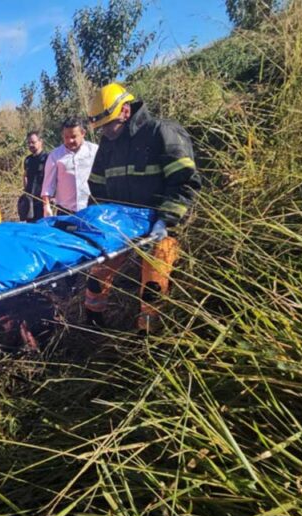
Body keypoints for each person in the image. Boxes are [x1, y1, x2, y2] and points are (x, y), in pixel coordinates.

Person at [84, 83, 201, 334]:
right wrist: (95, 226)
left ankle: (146, 336)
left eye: (108, 125)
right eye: (100, 127)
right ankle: (93, 323)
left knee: (153, 283)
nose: (104, 132)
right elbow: (97, 190)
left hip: (160, 226)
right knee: (97, 272)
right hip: (121, 225)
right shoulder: (108, 145)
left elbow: (184, 183)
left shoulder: (162, 133)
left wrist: (165, 221)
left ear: (125, 112)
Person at [40, 117, 98, 217]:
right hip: (65, 212)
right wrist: (47, 207)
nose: (70, 140)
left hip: (91, 210)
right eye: (66, 137)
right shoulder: (55, 156)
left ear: (83, 133)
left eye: (74, 136)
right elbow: (48, 185)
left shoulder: (94, 151)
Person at [17, 131, 48, 223]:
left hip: (43, 200)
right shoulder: (28, 160)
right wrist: (26, 191)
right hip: (30, 201)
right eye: (29, 143)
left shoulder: (47, 158)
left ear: (40, 141)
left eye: (33, 142)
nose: (31, 145)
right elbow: (25, 175)